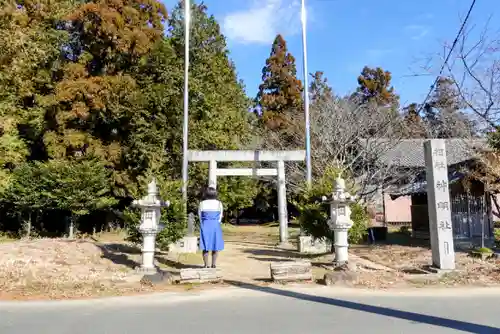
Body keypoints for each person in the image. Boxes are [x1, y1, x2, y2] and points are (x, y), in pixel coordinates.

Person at [198, 185, 224, 268]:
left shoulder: (202, 203)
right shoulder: (219, 203)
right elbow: (220, 216)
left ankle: (206, 265)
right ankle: (214, 264)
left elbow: (199, 216)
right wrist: (216, 222)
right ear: (215, 194)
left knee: (205, 246)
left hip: (205, 224)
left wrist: (204, 222)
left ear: (206, 194)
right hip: (215, 224)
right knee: (215, 245)